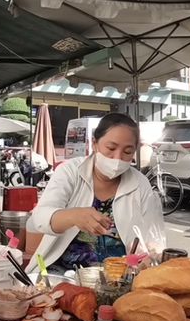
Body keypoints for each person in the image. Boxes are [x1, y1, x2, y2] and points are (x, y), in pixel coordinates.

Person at [24, 113, 165, 275]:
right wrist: (73, 216)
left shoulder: (140, 183)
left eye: (127, 151)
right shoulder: (70, 171)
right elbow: (40, 218)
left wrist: (149, 254)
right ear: (95, 144)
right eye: (111, 148)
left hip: (120, 275)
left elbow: (149, 238)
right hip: (63, 273)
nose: (117, 158)